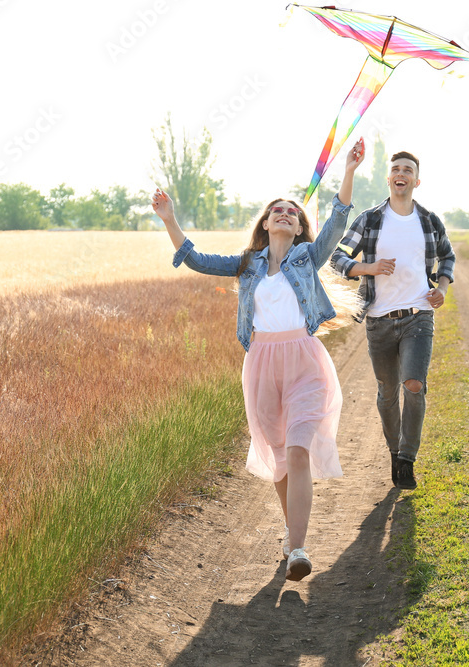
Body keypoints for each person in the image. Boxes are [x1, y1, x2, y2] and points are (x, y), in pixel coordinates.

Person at [151, 138, 366, 581]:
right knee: (280, 461)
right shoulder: (248, 264)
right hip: (262, 366)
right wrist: (170, 220)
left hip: (304, 361)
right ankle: (291, 534)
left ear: (298, 225)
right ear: (266, 224)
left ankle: (299, 549)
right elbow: (196, 259)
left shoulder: (309, 256)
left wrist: (348, 169)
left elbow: (338, 222)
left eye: (292, 210)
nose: (284, 212)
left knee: (299, 451)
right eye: (276, 210)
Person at [329, 150, 455, 490]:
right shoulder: (370, 220)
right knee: (387, 392)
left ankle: (407, 459)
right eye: (395, 169)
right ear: (389, 179)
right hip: (379, 321)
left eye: (408, 170)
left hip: (419, 316)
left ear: (416, 180)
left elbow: (447, 256)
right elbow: (337, 257)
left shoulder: (428, 220)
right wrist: (367, 268)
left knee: (413, 384)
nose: (401, 174)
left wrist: (441, 287)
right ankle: (394, 449)